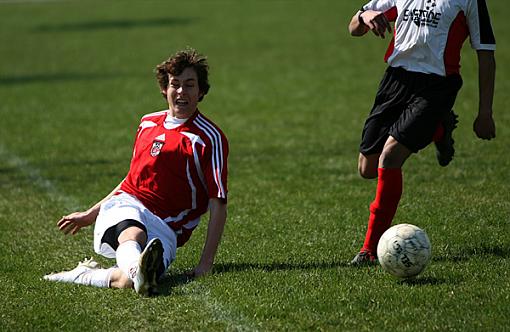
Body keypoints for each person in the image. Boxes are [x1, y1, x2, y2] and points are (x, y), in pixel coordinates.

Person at [44, 48, 229, 295]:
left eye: (190, 85)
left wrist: (205, 264)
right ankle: (136, 267)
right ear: (165, 89)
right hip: (128, 207)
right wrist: (91, 214)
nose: (182, 91)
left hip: (168, 228)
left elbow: (218, 202)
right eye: (176, 84)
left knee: (132, 282)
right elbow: (132, 181)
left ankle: (87, 274)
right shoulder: (147, 123)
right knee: (134, 232)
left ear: (201, 91)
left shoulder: (209, 138)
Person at [347, 0, 496, 265]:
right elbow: (354, 28)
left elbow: (485, 53)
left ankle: (368, 250)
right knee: (367, 169)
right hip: (395, 81)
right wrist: (365, 14)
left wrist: (485, 113)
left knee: (390, 158)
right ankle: (439, 129)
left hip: (437, 87)